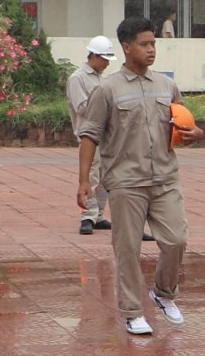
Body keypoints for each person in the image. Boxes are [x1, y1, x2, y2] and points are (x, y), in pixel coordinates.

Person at [75, 17, 188, 337]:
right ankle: (132, 311)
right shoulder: (107, 89)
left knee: (176, 240)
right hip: (126, 181)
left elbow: (182, 123)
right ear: (126, 47)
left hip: (165, 178)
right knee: (127, 248)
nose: (151, 49)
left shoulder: (166, 85)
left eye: (154, 43)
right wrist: (84, 180)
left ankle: (163, 294)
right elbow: (89, 135)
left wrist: (193, 133)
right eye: (144, 43)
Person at [65, 34, 117, 235]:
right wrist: (104, 107)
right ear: (93, 56)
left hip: (105, 134)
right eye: (104, 59)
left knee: (104, 177)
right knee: (92, 176)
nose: (106, 64)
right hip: (89, 134)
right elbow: (81, 108)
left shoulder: (100, 78)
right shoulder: (78, 78)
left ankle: (99, 215)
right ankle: (87, 216)